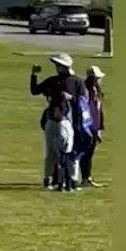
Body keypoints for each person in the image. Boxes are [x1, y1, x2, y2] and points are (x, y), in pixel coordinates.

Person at [30, 53, 84, 191]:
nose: (57, 68)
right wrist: (34, 75)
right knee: (50, 153)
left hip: (67, 121)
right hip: (52, 120)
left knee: (67, 152)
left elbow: (83, 103)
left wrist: (71, 99)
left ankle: (71, 180)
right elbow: (35, 91)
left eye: (59, 65)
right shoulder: (53, 81)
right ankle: (49, 179)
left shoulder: (77, 82)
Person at [80, 66, 106, 187]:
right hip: (86, 126)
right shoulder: (85, 90)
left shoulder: (97, 91)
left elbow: (99, 111)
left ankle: (87, 177)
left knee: (89, 153)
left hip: (94, 126)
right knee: (84, 153)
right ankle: (83, 177)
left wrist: (100, 128)